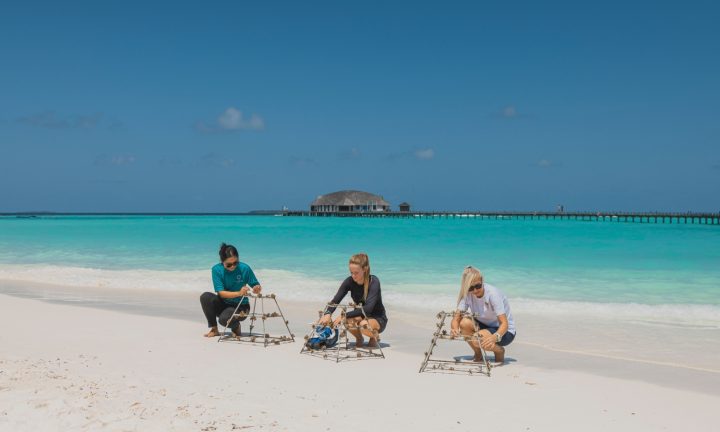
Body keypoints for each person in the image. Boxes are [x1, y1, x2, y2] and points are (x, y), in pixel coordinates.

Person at [318, 253, 388, 347]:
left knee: (363, 324)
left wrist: (344, 315)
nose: (353, 276)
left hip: (377, 318)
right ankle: (359, 338)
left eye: (356, 273)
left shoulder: (374, 281)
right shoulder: (349, 281)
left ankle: (374, 336)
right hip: (359, 315)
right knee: (347, 321)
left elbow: (368, 309)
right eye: (351, 272)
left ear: (365, 269)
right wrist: (327, 314)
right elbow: (335, 300)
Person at [450, 266, 516, 363]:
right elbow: (456, 319)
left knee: (476, 339)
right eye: (471, 288)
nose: (475, 291)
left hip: (505, 332)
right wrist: (454, 329)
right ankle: (478, 353)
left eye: (478, 286)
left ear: (482, 281)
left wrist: (495, 337)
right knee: (464, 323)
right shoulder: (467, 294)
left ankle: (499, 351)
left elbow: (504, 324)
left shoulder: (493, 294)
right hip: (484, 326)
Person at [200, 243, 262, 337]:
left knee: (223, 320)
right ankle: (214, 329)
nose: (233, 266)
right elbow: (221, 294)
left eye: (235, 263)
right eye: (229, 265)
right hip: (224, 303)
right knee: (205, 297)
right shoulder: (216, 270)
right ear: (222, 261)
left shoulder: (244, 268)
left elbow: (256, 285)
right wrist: (239, 293)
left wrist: (257, 288)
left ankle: (236, 326)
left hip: (241, 306)